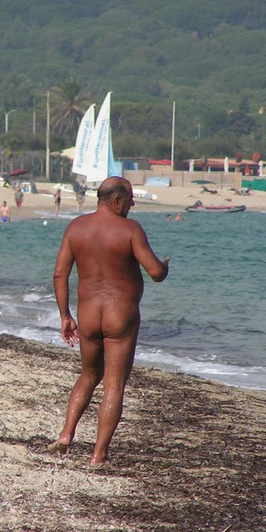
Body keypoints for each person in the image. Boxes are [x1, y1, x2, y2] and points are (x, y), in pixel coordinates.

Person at [49, 176, 170, 466]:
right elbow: (154, 272)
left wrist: (65, 315)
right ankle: (98, 454)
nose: (133, 203)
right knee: (114, 384)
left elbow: (59, 275)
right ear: (116, 201)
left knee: (88, 375)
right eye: (130, 198)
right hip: (121, 315)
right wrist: (164, 267)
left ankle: (66, 434)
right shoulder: (130, 230)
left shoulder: (76, 228)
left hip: (88, 315)